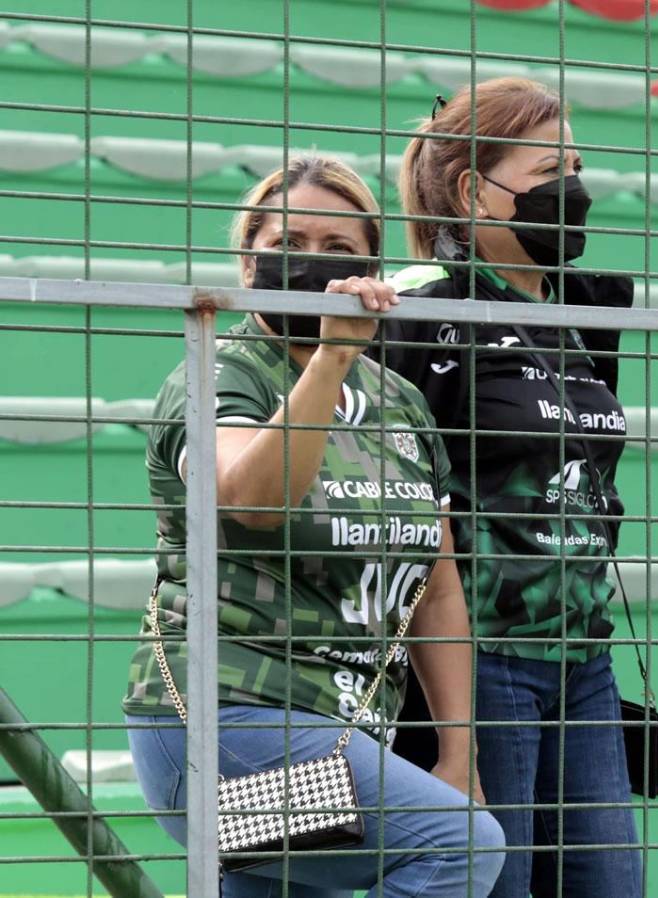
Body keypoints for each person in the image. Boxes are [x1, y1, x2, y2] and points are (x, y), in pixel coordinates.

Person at [123, 155, 505, 897]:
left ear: (372, 270)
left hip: (341, 736)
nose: (316, 265)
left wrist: (459, 753)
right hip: (219, 737)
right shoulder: (221, 368)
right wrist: (332, 354)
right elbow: (253, 497)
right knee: (458, 848)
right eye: (293, 244)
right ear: (248, 258)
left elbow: (436, 586)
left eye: (341, 251)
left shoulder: (397, 397)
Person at [375, 78, 640, 898]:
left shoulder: (586, 313)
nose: (576, 188)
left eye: (579, 164)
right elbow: (399, 501)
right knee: (497, 885)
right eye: (551, 167)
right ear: (472, 191)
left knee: (611, 886)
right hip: (479, 656)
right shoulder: (420, 313)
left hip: (584, 657)